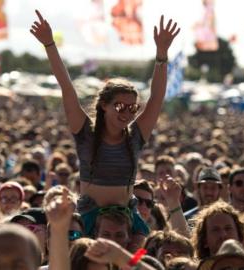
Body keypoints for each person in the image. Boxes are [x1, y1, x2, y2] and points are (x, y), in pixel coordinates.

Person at [30, 10, 180, 238]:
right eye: (120, 106)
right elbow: (67, 88)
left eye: (133, 108)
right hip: (89, 221)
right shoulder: (85, 133)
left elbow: (157, 98)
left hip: (127, 221)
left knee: (142, 256)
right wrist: (49, 44)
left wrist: (161, 55)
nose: (128, 113)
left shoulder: (135, 137)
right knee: (78, 256)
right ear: (103, 106)